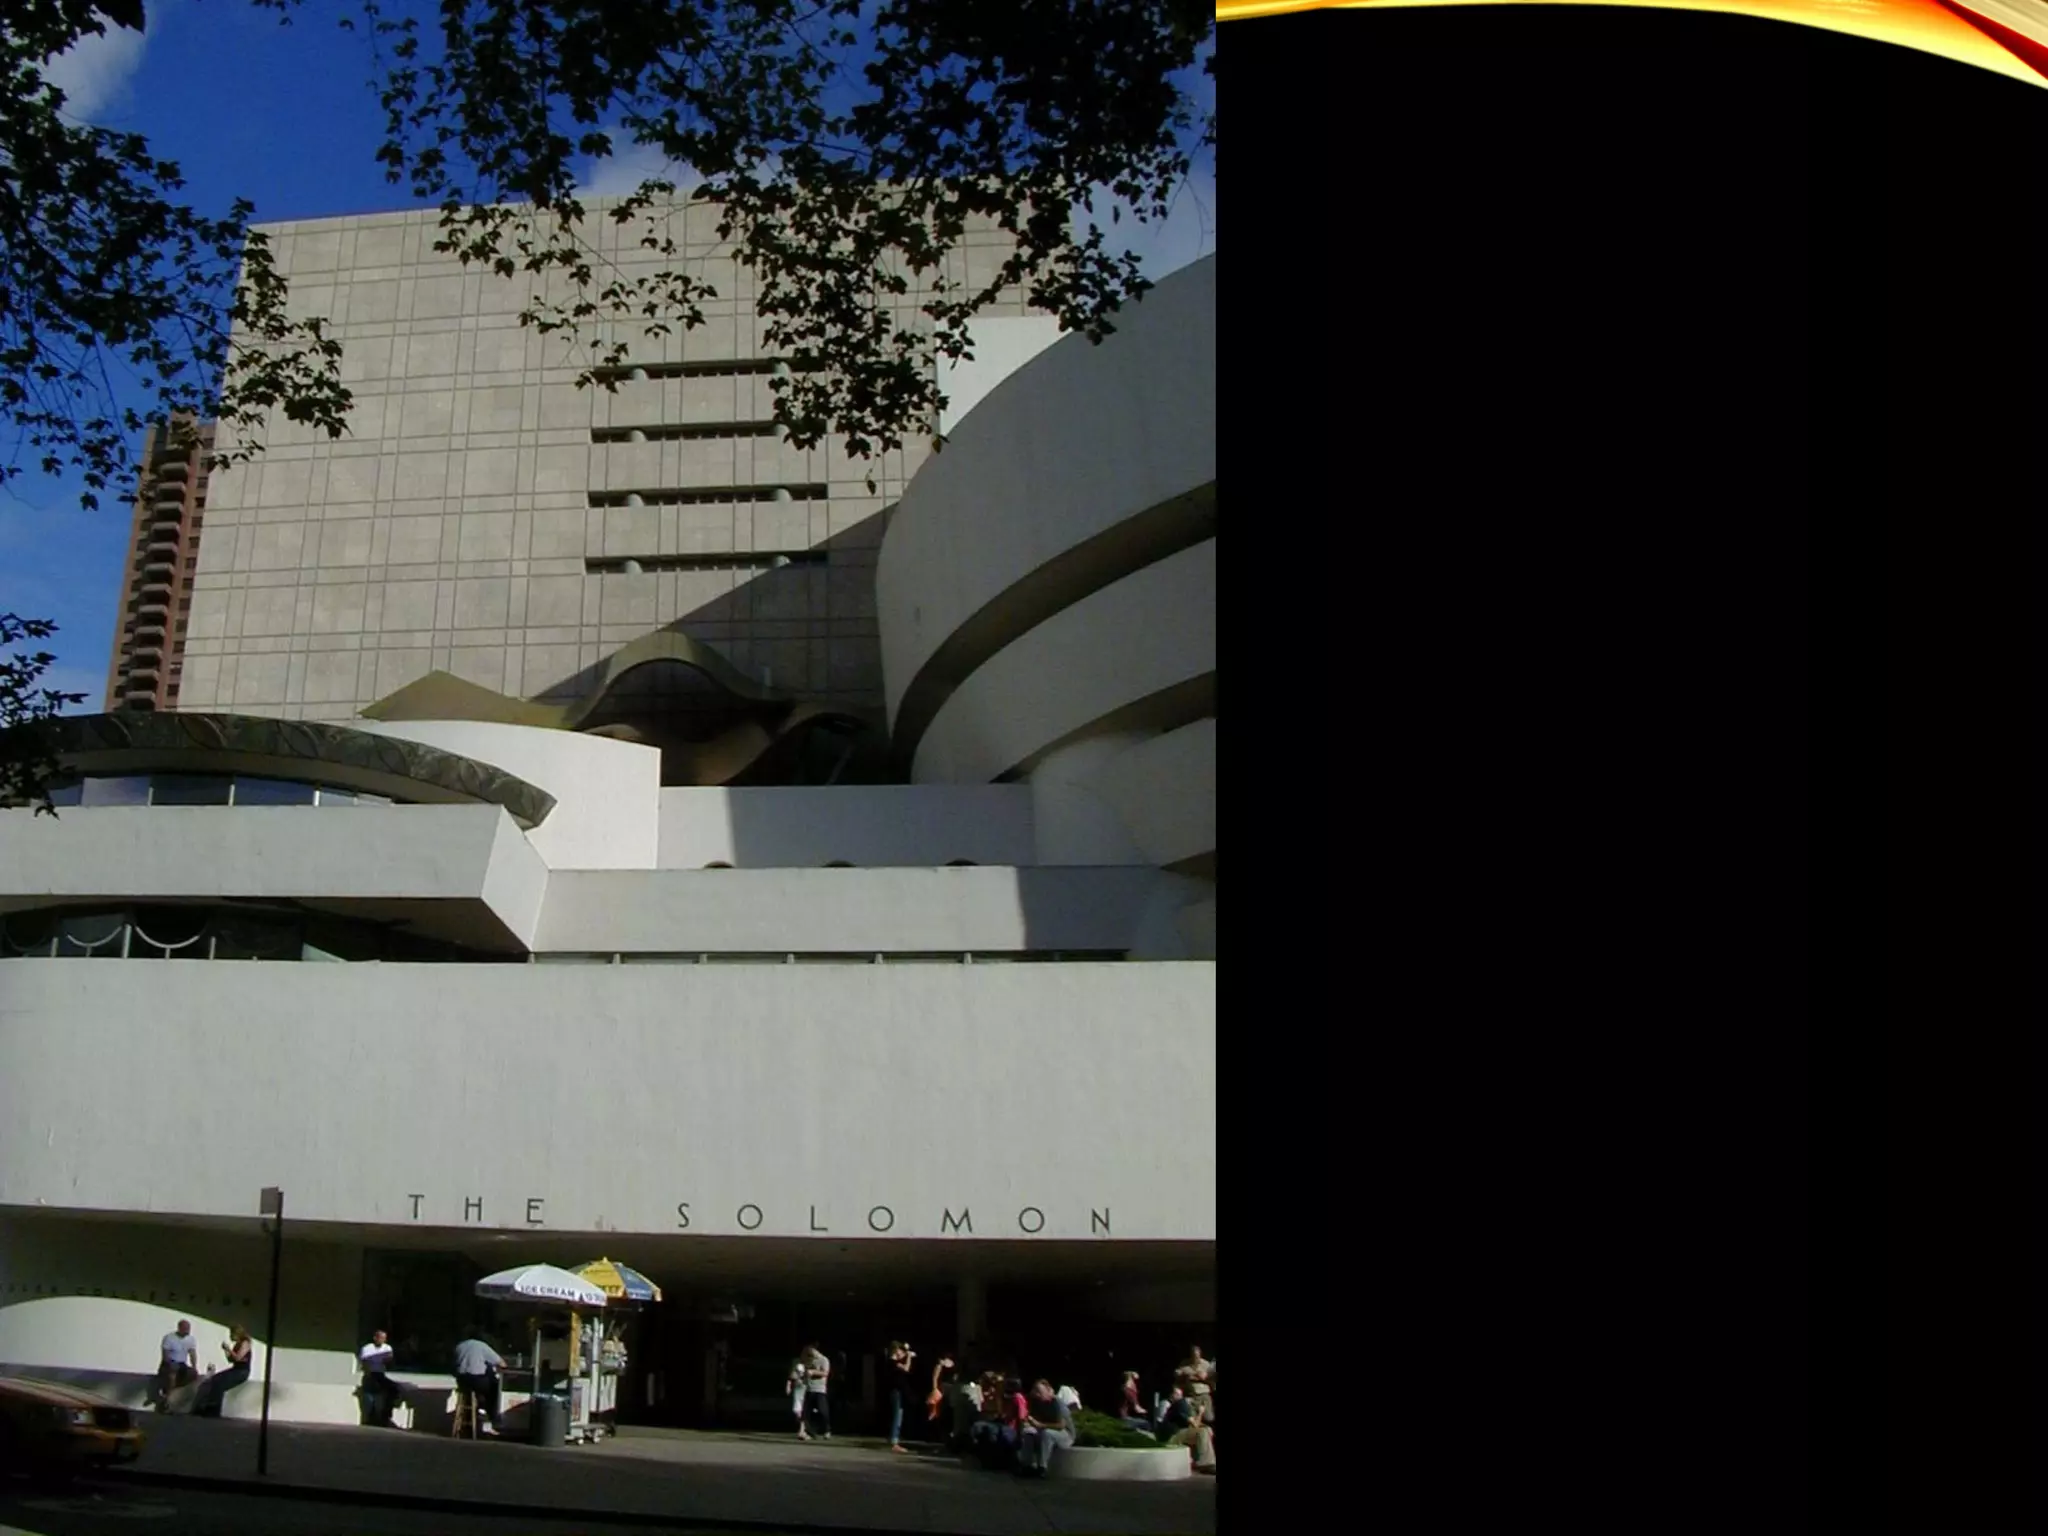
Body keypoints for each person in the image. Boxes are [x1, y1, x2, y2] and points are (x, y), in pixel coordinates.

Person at [1015, 1379, 1075, 1477]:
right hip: (1043, 1431)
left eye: (1039, 1391)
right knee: (1028, 1433)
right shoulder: (1036, 1403)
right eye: (1035, 1391)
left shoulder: (1056, 1403)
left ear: (1048, 1391)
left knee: (1047, 1433)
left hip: (1065, 1435)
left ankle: (1042, 1467)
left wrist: (1040, 1425)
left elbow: (1061, 1425)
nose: (1036, 1394)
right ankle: (1026, 1465)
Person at [193, 1325, 253, 1418]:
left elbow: (238, 1357)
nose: (230, 1336)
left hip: (242, 1371)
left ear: (237, 1334)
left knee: (220, 1383)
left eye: (231, 1334)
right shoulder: (237, 1344)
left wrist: (229, 1349)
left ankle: (215, 1410)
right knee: (215, 1379)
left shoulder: (245, 1343)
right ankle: (208, 1407)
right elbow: (230, 1360)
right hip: (235, 1369)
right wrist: (226, 1351)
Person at [452, 1334, 505, 1436]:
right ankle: (490, 1419)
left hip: (462, 1382)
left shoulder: (459, 1346)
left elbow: (454, 1364)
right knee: (494, 1388)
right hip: (476, 1381)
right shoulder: (482, 1346)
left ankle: (473, 1415)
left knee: (478, 1391)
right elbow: (501, 1363)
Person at [154, 1319, 198, 1412]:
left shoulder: (190, 1339)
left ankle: (182, 1395)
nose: (187, 1331)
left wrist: (194, 1366)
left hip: (182, 1364)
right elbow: (165, 1354)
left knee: (193, 1374)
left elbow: (192, 1353)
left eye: (188, 1329)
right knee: (172, 1375)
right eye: (185, 1328)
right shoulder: (169, 1338)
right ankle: (167, 1399)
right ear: (180, 1328)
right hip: (169, 1363)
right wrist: (170, 1364)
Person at [358, 1329, 399, 1427]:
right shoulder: (367, 1348)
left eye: (384, 1338)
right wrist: (378, 1359)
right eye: (380, 1338)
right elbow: (366, 1363)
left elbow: (388, 1360)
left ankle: (385, 1417)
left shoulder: (387, 1348)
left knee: (392, 1391)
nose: (382, 1340)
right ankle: (370, 1418)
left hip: (380, 1375)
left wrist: (375, 1360)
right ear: (375, 1338)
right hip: (369, 1375)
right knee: (369, 1398)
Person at [884, 1340, 916, 1453]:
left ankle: (894, 1438)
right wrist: (909, 1356)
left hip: (898, 1391)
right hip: (896, 1391)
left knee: (898, 1415)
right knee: (897, 1416)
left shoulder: (893, 1361)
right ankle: (894, 1441)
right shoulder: (892, 1362)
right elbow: (906, 1368)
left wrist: (907, 1352)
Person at [799, 1342, 831, 1440]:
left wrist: (813, 1372)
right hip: (809, 1389)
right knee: (806, 1413)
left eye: (811, 1351)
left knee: (823, 1411)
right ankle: (809, 1432)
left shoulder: (824, 1360)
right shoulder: (809, 1360)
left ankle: (827, 1430)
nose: (810, 1354)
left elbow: (825, 1373)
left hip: (820, 1390)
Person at [786, 1352, 810, 1440]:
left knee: (803, 1410)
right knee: (796, 1411)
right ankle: (803, 1429)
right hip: (798, 1388)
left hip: (805, 1388)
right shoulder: (798, 1365)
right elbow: (791, 1376)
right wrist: (788, 1386)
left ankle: (802, 1430)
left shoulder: (810, 1365)